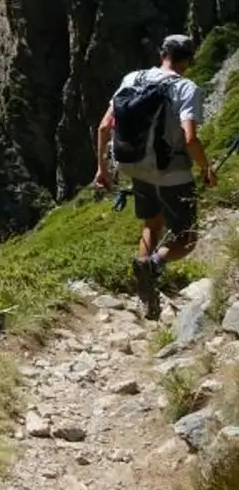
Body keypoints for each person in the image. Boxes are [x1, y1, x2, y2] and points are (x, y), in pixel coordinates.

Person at [94, 34, 215, 317]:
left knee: (152, 222)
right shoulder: (186, 88)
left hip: (132, 164)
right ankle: (154, 264)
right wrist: (205, 168)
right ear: (188, 59)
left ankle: (145, 293)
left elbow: (103, 126)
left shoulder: (133, 78)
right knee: (186, 238)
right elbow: (189, 139)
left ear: (162, 54)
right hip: (170, 170)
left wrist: (101, 168)